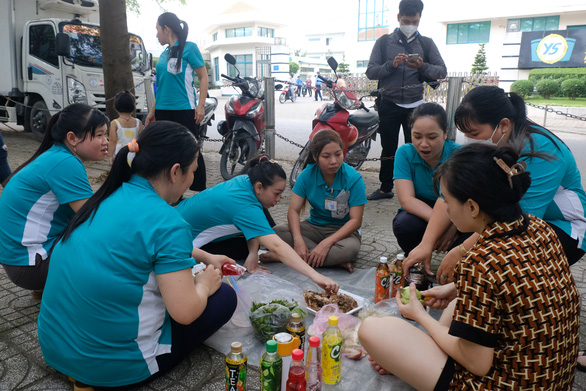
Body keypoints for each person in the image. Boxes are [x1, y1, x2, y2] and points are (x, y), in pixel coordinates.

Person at [359, 144, 580, 390]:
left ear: (473, 207)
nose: (444, 209)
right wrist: (453, 289)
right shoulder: (539, 227)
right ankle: (415, 355)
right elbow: (512, 286)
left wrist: (420, 316)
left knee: (372, 329)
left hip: (503, 382)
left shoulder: (480, 261)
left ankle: (416, 354)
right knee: (456, 304)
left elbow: (477, 364)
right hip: (550, 377)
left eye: (447, 201)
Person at [38, 121, 237, 390]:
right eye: (193, 172)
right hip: (110, 368)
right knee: (224, 298)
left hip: (55, 348)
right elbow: (186, 313)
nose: (192, 180)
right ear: (175, 172)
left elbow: (141, 242)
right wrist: (204, 285)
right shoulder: (169, 222)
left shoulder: (106, 197)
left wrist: (204, 257)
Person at [404, 86, 586, 283]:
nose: (469, 140)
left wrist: (462, 251)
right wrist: (426, 244)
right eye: (465, 133)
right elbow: (450, 193)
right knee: (466, 237)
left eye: (474, 132)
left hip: (561, 228)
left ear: (504, 125)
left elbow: (520, 219)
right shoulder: (492, 146)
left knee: (496, 256)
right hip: (510, 221)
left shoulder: (542, 150)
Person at [176, 155, 339, 292]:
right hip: (183, 243)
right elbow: (277, 246)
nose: (278, 200)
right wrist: (316, 276)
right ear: (260, 187)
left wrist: (253, 253)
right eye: (277, 194)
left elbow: (252, 222)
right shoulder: (245, 206)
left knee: (253, 238)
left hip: (180, 217)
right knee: (245, 247)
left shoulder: (246, 181)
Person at [0, 104, 108, 297]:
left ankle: (48, 287)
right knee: (106, 240)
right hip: (31, 266)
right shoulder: (65, 163)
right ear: (72, 138)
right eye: (99, 135)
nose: (105, 142)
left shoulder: (53, 155)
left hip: (17, 261)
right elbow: (96, 219)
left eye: (105, 135)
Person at [365, 0, 446, 201]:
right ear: (398, 18)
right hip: (389, 103)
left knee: (419, 148)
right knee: (388, 147)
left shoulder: (426, 43)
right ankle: (385, 188)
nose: (410, 24)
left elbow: (442, 70)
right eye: (406, 20)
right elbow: (371, 72)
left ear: (420, 19)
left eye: (415, 21)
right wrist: (390, 65)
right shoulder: (384, 42)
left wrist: (422, 66)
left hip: (416, 106)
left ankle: (420, 190)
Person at [263, 130, 367, 273]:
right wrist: (298, 240)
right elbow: (293, 211)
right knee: (276, 232)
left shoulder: (354, 179)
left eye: (338, 154)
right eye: (326, 156)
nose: (334, 161)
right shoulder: (306, 175)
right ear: (315, 157)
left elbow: (355, 221)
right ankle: (331, 261)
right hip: (314, 227)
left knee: (349, 250)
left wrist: (326, 243)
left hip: (343, 233)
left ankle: (286, 256)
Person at [145, 12, 208, 191]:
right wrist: (152, 112)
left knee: (191, 149)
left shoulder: (189, 48)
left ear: (166, 29)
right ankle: (174, 191)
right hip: (162, 110)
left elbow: (203, 77)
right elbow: (163, 86)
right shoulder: (164, 54)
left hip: (184, 109)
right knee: (168, 152)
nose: (156, 34)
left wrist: (201, 105)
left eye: (157, 30)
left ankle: (199, 191)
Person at [393, 103, 464, 255]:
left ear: (445, 133)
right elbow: (406, 200)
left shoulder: (459, 155)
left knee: (471, 231)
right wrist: (439, 226)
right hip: (420, 214)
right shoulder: (405, 153)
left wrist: (452, 226)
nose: (423, 144)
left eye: (432, 137)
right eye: (417, 136)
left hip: (457, 217)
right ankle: (415, 259)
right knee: (405, 224)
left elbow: (465, 200)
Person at [108, 90, 143, 165]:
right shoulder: (138, 122)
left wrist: (110, 156)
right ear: (133, 107)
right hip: (134, 154)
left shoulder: (115, 123)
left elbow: (112, 141)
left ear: (116, 107)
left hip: (120, 154)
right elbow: (141, 140)